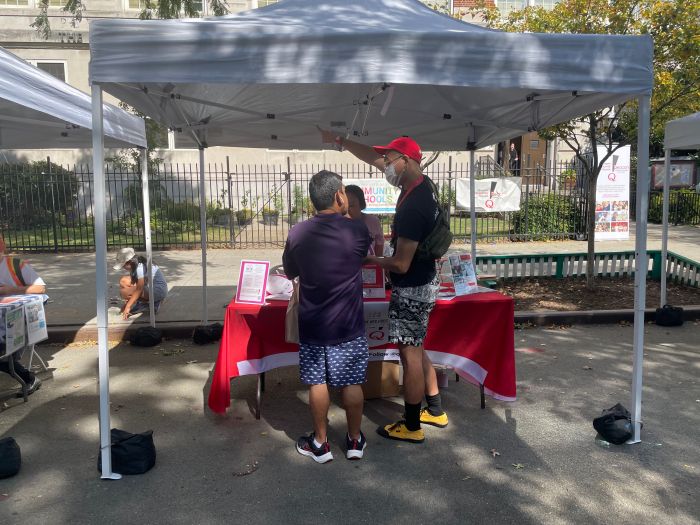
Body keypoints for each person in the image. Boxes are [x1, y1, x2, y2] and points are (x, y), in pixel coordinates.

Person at [319, 128, 448, 444]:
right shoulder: (420, 183)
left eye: (389, 159)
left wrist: (370, 260)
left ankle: (413, 425)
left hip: (412, 285)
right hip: (423, 281)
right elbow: (372, 157)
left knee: (409, 354)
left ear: (404, 160)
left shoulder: (414, 204)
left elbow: (401, 263)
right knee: (416, 347)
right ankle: (435, 408)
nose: (384, 165)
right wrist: (342, 141)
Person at [283, 170, 371, 463]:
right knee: (352, 382)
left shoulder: (297, 233)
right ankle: (355, 440)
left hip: (313, 323)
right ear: (339, 196)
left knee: (316, 382)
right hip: (349, 324)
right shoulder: (357, 231)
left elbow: (291, 271)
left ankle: (320, 443)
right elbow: (359, 257)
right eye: (344, 191)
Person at [0, 233, 45, 395]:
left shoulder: (16, 265)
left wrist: (10, 290)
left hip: (18, 321)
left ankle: (28, 378)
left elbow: (40, 288)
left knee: (3, 354)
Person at [113, 247, 168, 320]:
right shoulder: (136, 264)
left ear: (129, 262)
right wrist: (126, 304)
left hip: (158, 291)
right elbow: (135, 284)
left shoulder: (139, 267)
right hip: (151, 288)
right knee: (123, 281)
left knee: (124, 292)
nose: (123, 268)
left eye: (123, 265)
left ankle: (154, 303)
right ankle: (144, 303)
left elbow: (139, 289)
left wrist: (128, 306)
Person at [344, 184, 385, 255]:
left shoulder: (373, 221)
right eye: (344, 206)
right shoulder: (338, 224)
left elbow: (379, 248)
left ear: (361, 204)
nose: (347, 210)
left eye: (351, 205)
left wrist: (377, 263)